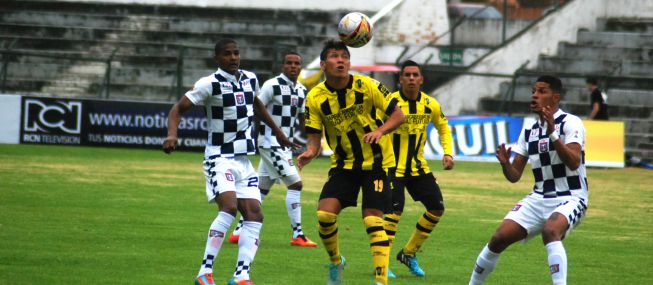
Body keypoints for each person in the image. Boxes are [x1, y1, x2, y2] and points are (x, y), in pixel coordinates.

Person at [163, 38, 298, 285]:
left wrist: (279, 132)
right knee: (229, 207)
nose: (234, 57)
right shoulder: (208, 84)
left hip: (244, 161)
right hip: (219, 157)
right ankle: (204, 273)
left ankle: (241, 276)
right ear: (218, 58)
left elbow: (257, 104)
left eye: (236, 53)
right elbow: (177, 109)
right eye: (228, 54)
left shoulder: (249, 78)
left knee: (255, 214)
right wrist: (172, 134)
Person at [296, 39, 406, 285]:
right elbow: (314, 138)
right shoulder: (314, 97)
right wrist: (310, 152)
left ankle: (381, 281)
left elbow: (399, 115)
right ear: (323, 65)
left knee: (372, 219)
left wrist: (381, 131)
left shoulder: (367, 85)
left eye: (344, 56)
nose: (341, 60)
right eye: (335, 56)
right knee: (324, 215)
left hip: (376, 163)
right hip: (343, 165)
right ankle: (336, 262)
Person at [468, 75, 589, 285]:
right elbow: (515, 176)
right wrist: (505, 163)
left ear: (555, 97)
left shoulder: (571, 122)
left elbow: (573, 162)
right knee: (498, 239)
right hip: (538, 198)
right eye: (534, 90)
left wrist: (553, 134)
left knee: (550, 231)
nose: (535, 95)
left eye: (542, 91)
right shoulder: (529, 131)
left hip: (570, 197)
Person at [228, 51, 317, 247]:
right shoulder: (272, 85)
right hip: (270, 143)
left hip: (284, 145)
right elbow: (256, 108)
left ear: (300, 67)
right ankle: (298, 234)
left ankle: (238, 231)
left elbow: (302, 119)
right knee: (295, 184)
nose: (293, 66)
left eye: (297, 63)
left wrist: (315, 137)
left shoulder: (301, 90)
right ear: (283, 66)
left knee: (262, 189)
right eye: (289, 63)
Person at [382, 60, 454, 278]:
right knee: (394, 212)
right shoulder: (389, 102)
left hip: (418, 167)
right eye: (407, 75)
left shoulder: (430, 104)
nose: (411, 78)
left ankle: (408, 253)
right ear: (401, 79)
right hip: (392, 167)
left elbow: (443, 127)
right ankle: (382, 263)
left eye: (415, 75)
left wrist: (448, 152)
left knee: (436, 208)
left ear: (421, 79)